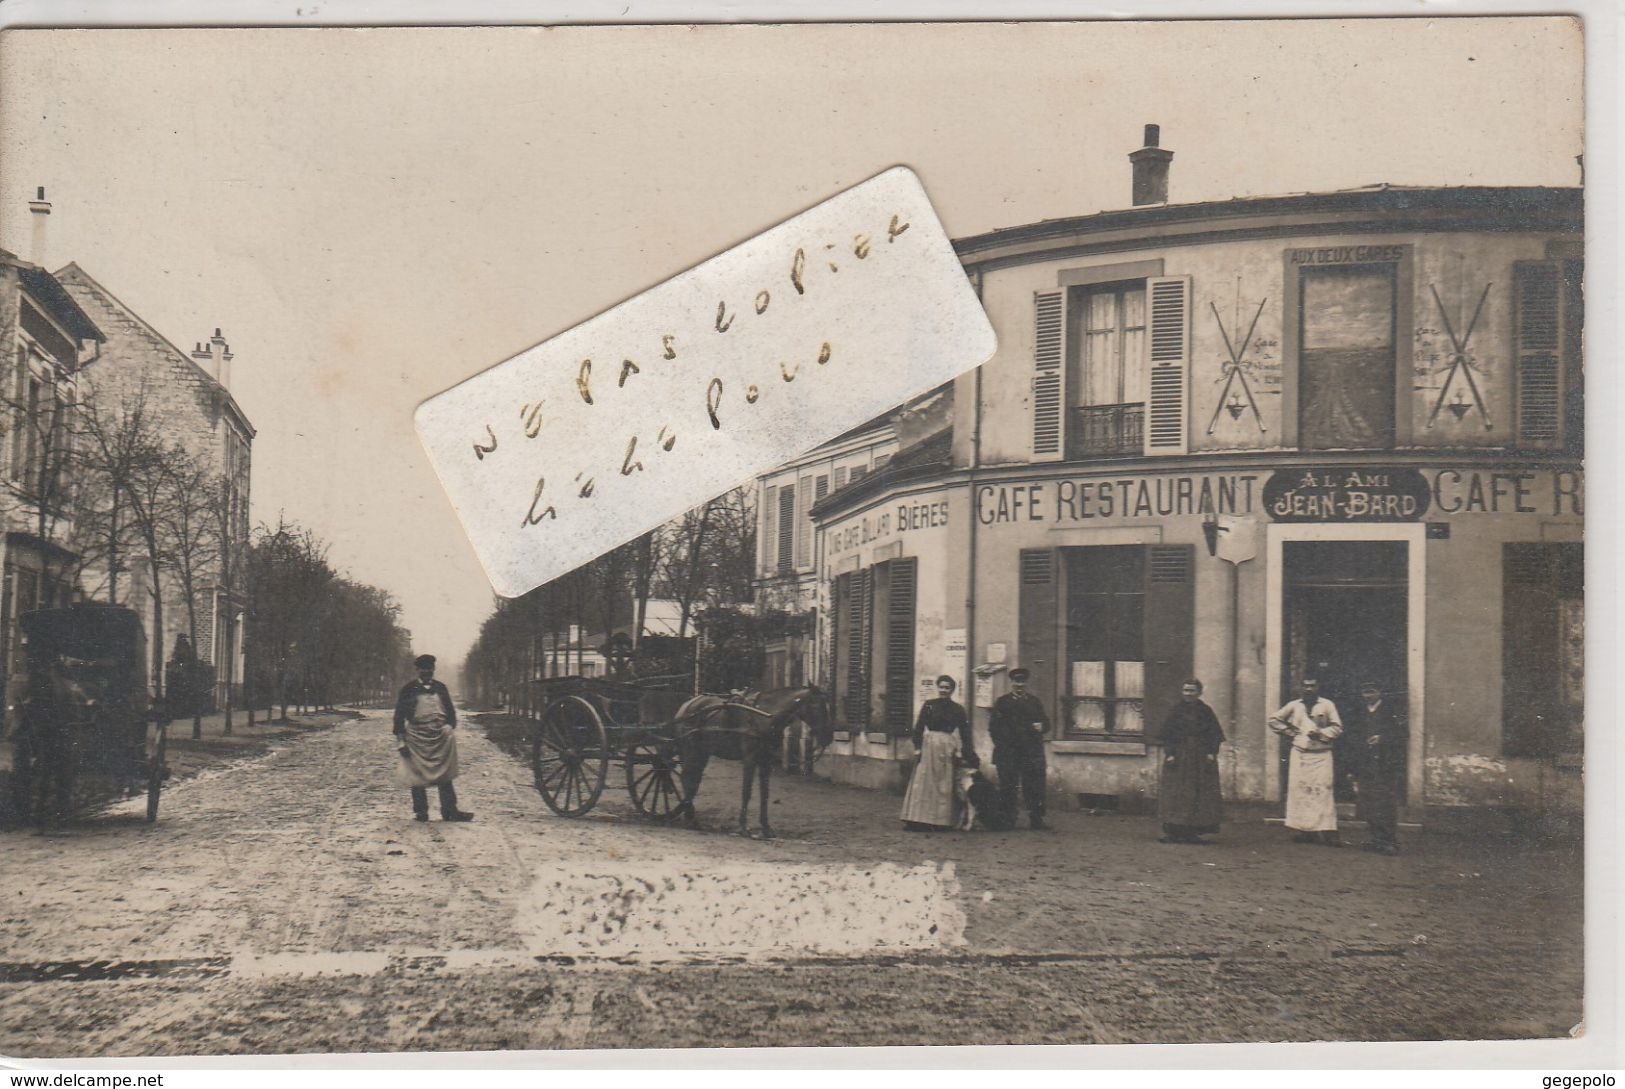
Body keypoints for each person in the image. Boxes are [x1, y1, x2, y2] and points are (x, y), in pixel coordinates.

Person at [393, 654, 474, 822]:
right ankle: (421, 811)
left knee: (445, 773)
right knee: (416, 774)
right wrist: (401, 741)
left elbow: (451, 714)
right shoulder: (408, 690)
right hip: (416, 736)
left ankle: (449, 810)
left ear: (433, 670)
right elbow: (399, 717)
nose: (427, 672)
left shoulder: (441, 688)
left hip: (440, 737)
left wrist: (448, 727)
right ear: (417, 670)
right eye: (423, 669)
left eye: (429, 669)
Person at [1268, 677, 1343, 845]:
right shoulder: (1294, 705)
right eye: (1306, 686)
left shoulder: (1327, 705)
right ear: (1301, 687)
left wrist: (1322, 734)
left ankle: (1328, 830)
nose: (1309, 689)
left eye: (1313, 686)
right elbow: (1273, 720)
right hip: (1300, 754)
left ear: (1318, 687)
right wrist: (1289, 732)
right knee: (1301, 791)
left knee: (1322, 791)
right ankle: (1304, 831)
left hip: (1321, 754)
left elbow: (1338, 727)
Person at [901, 674, 978, 831]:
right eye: (941, 687)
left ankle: (942, 821)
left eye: (947, 688)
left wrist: (967, 752)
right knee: (924, 783)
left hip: (947, 747)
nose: (944, 690)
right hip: (929, 746)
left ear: (952, 690)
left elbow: (965, 733)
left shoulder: (958, 709)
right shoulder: (929, 705)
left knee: (944, 784)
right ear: (938, 688)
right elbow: (919, 727)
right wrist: (917, 747)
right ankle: (918, 820)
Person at [1157, 679, 1225, 844]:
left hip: (1200, 757)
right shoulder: (1176, 711)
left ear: (1199, 693)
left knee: (1199, 791)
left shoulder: (1206, 711)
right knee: (1176, 792)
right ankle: (1174, 831)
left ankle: (1193, 832)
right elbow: (1168, 735)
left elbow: (1214, 734)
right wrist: (1170, 753)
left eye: (1192, 691)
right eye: (1186, 690)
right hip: (1180, 756)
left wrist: (1211, 752)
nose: (1188, 694)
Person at [1345, 681, 1407, 855]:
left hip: (1385, 765)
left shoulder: (1392, 711)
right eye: (1365, 692)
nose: (1368, 696)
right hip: (1365, 765)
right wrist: (1353, 768)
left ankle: (1390, 841)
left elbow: (1403, 734)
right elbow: (1352, 739)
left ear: (1380, 692)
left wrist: (1383, 738)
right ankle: (1376, 839)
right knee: (1368, 803)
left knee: (1386, 803)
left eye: (1371, 692)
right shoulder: (1359, 713)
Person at [988, 667, 1051, 831]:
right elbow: (993, 727)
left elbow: (1046, 723)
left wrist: (1042, 726)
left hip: (1030, 753)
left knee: (1034, 786)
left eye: (1022, 681)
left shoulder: (1034, 702)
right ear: (1012, 683)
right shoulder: (1002, 702)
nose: (1019, 685)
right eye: (1016, 681)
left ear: (1026, 683)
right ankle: (1008, 819)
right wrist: (1002, 745)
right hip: (1009, 752)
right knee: (1008, 786)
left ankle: (1036, 819)